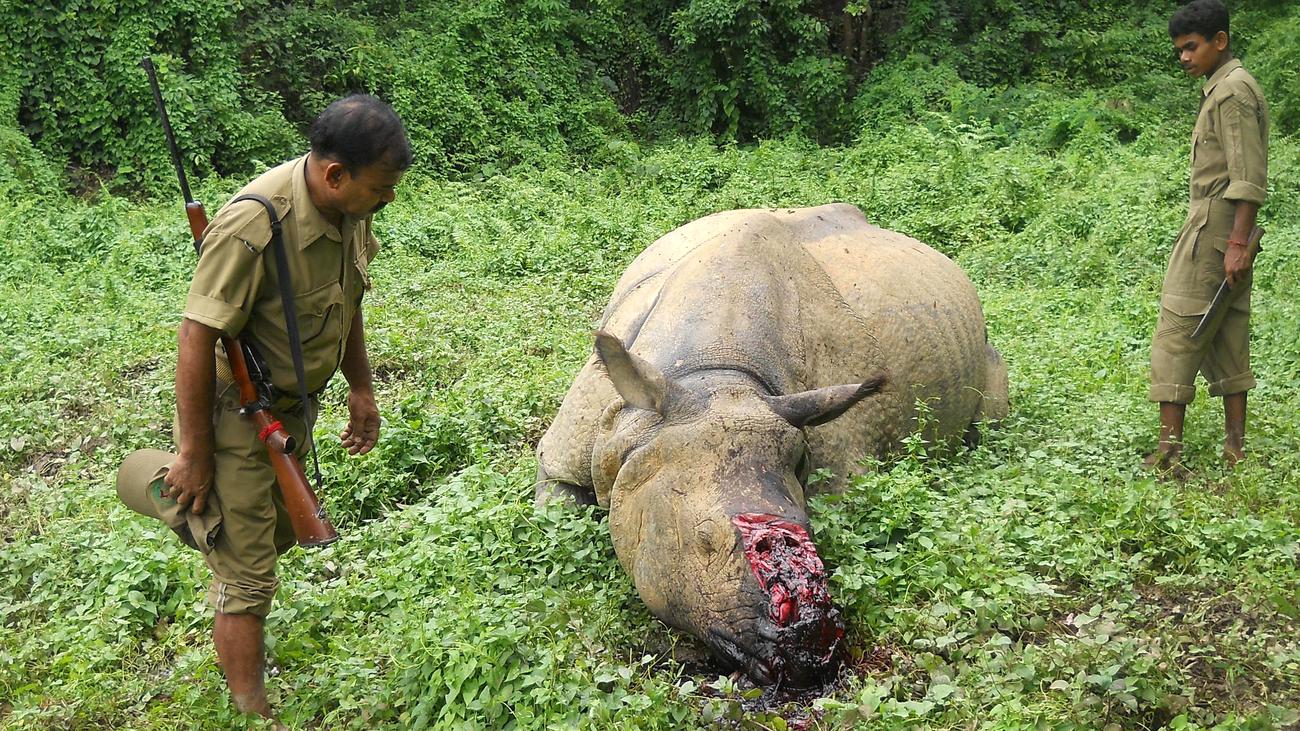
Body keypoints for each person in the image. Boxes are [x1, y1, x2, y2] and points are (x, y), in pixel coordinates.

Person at [116, 94, 411, 723]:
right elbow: (196, 335)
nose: (388, 199)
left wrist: (361, 388)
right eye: (382, 187)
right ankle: (252, 712)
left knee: (273, 534)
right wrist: (195, 453)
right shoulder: (255, 225)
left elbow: (348, 302)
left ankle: (204, 510)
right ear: (336, 174)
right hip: (236, 413)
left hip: (293, 409)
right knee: (248, 575)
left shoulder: (350, 211)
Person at [1146, 0, 1268, 476]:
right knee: (1227, 328)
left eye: (1191, 47)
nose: (1184, 57)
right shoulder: (1227, 86)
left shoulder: (1231, 91)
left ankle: (1168, 452)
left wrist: (1236, 244)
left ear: (1220, 40)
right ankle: (1234, 447)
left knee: (1178, 328)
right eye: (1179, 49)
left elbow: (1246, 177)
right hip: (1226, 228)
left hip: (1215, 226)